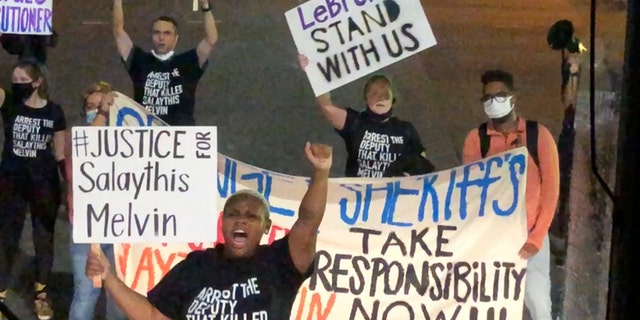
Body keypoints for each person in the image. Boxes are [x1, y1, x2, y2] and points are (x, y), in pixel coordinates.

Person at [86, 142, 333, 319]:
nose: (241, 221)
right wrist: (109, 276)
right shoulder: (197, 265)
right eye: (233, 214)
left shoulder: (280, 263)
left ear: (266, 227)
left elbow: (309, 221)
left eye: (251, 216)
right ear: (222, 222)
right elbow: (153, 315)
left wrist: (321, 174)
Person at [461, 70, 560, 320]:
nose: (494, 102)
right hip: (492, 235)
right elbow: (470, 189)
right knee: (491, 305)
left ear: (513, 98)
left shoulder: (539, 136)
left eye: (500, 95)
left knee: (538, 303)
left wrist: (536, 238)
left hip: (530, 233)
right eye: (488, 98)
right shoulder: (477, 140)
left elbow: (551, 191)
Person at [0, 59, 67, 320]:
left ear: (37, 82)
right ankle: (1, 294)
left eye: (22, 82)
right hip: (11, 183)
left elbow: (60, 153)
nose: (17, 86)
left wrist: (69, 186)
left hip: (44, 183)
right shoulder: (9, 104)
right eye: (13, 81)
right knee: (7, 238)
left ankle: (41, 294)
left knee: (43, 240)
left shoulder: (54, 112)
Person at [298, 54, 427, 178]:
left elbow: (423, 168)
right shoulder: (356, 122)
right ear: (366, 98)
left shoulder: (405, 129)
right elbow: (326, 106)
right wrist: (314, 72)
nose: (380, 98)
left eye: (385, 93)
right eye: (374, 93)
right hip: (359, 196)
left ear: (393, 98)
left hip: (393, 197)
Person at [65, 82, 126, 320]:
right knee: (86, 294)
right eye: (91, 106)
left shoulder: (126, 141)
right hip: (87, 228)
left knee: (119, 297)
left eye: (101, 106)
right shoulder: (75, 137)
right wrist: (103, 113)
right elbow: (90, 143)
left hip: (121, 228)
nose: (96, 110)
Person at [112, 0, 218, 126]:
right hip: (148, 136)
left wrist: (205, 6)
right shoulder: (139, 60)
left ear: (176, 38)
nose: (161, 38)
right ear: (151, 36)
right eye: (157, 33)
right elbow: (118, 31)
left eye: (167, 33)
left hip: (181, 136)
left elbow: (211, 39)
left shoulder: (187, 62)